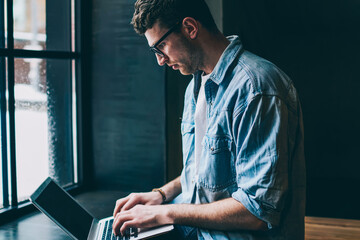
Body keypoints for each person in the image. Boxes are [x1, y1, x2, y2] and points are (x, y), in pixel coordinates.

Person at [112, 0, 306, 239]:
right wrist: (161, 195)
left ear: (190, 28)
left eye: (160, 46)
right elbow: (204, 174)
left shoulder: (257, 90)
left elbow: (258, 211)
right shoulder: (195, 86)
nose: (160, 60)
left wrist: (166, 213)